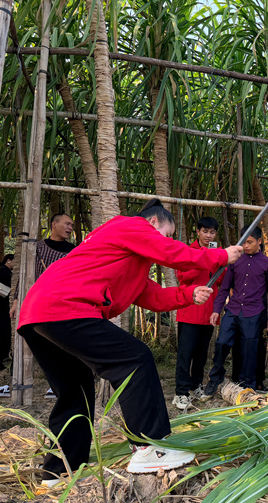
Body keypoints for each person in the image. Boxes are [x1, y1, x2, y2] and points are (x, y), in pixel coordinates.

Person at [17, 199, 242, 483]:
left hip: (40, 313)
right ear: (153, 223)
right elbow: (170, 252)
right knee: (135, 359)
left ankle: (58, 471)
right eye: (168, 234)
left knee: (76, 391)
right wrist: (220, 256)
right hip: (65, 307)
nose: (168, 241)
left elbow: (153, 296)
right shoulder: (129, 225)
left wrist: (188, 295)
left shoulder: (127, 261)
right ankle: (148, 447)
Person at [0, 213, 78, 399]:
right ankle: (14, 382)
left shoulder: (74, 251)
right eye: (67, 223)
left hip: (60, 304)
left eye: (72, 224)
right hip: (34, 303)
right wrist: (16, 301)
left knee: (59, 343)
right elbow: (24, 277)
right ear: (54, 224)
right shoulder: (36, 247)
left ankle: (56, 386)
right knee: (23, 340)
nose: (71, 227)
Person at [206, 225, 268, 392]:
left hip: (253, 312)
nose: (246, 246)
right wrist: (216, 309)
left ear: (259, 241)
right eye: (244, 242)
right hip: (232, 309)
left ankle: (248, 388)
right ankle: (215, 378)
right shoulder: (235, 261)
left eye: (250, 242)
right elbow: (224, 288)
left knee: (249, 350)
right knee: (222, 342)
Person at [171, 217, 224, 411]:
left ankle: (195, 386)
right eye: (205, 231)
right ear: (198, 232)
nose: (208, 235)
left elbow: (220, 280)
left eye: (212, 232)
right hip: (190, 310)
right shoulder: (188, 251)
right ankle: (181, 393)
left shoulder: (215, 253)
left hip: (208, 312)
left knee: (202, 354)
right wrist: (202, 258)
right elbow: (182, 277)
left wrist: (217, 258)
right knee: (186, 354)